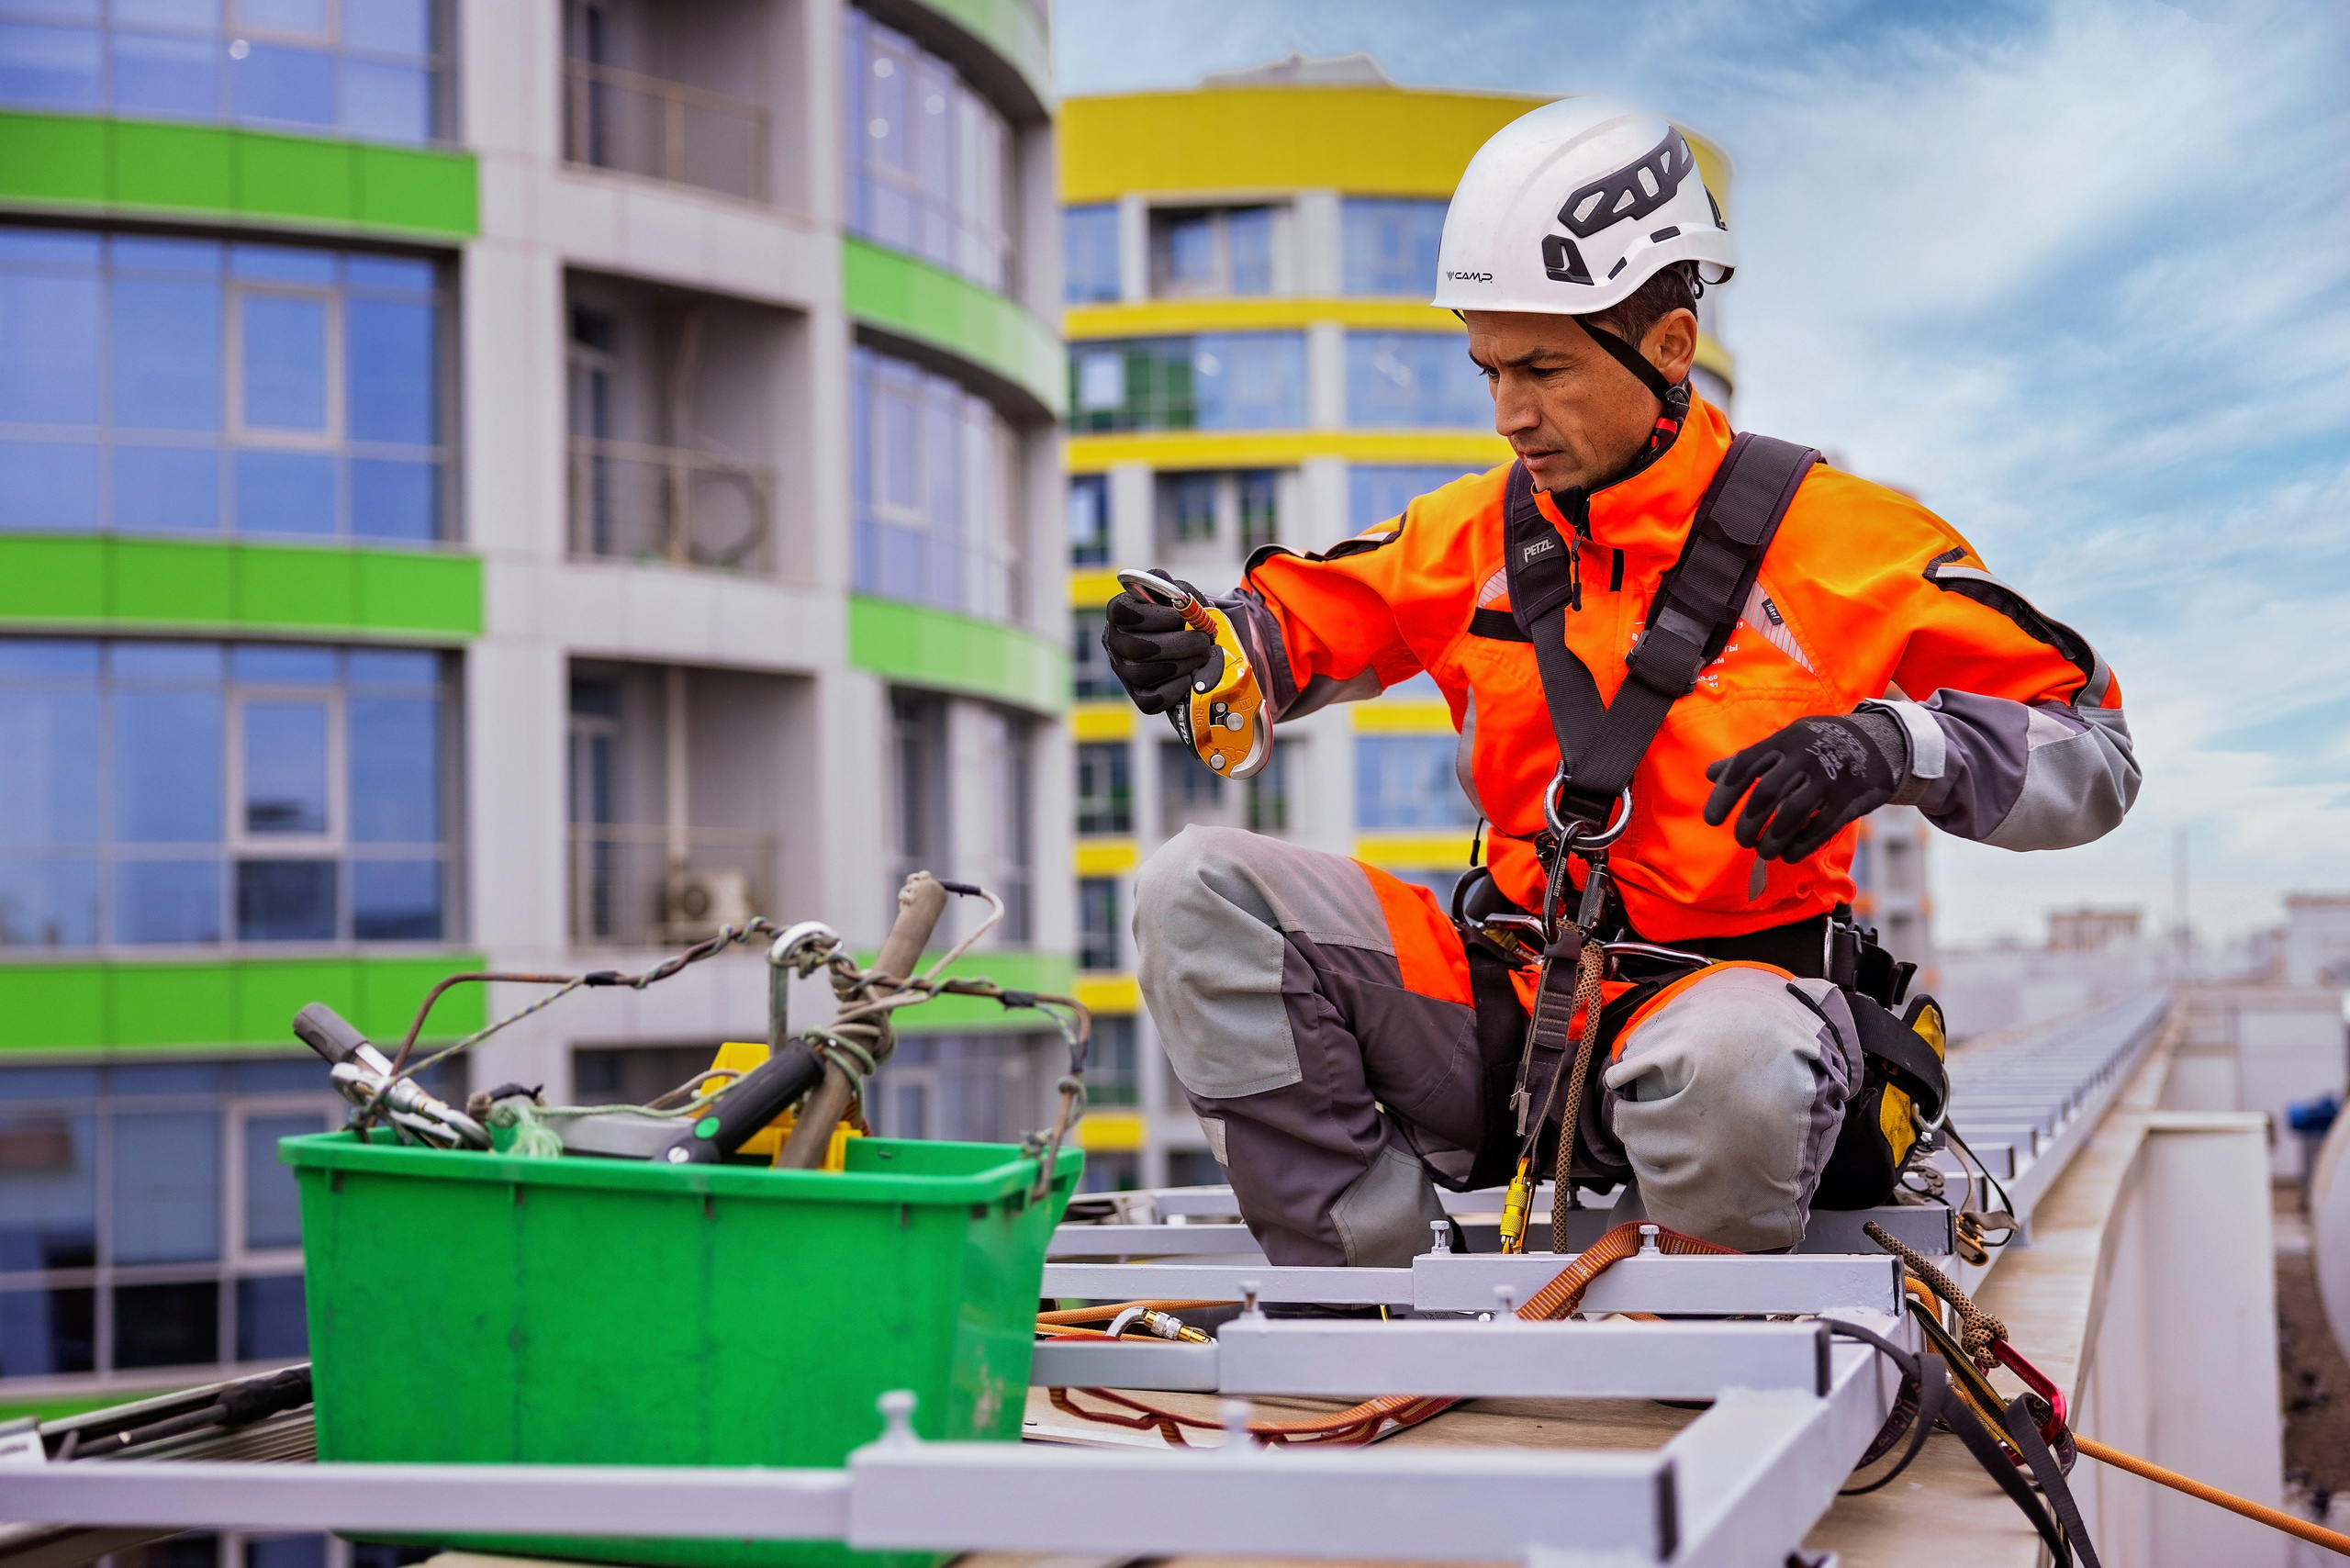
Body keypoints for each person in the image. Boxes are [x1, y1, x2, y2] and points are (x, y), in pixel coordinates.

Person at [1102, 98, 2139, 1264]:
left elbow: (2093, 748)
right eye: (1488, 368)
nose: (1507, 415)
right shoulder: (1470, 535)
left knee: (1730, 1063)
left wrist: (1890, 748)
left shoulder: (1848, 543)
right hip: (1510, 1015)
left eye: (1540, 369)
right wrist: (1208, 642)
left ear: (1669, 347)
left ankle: (1694, 1338)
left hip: (1730, 1022)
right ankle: (1367, 1303)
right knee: (1197, 887)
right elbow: (1302, 619)